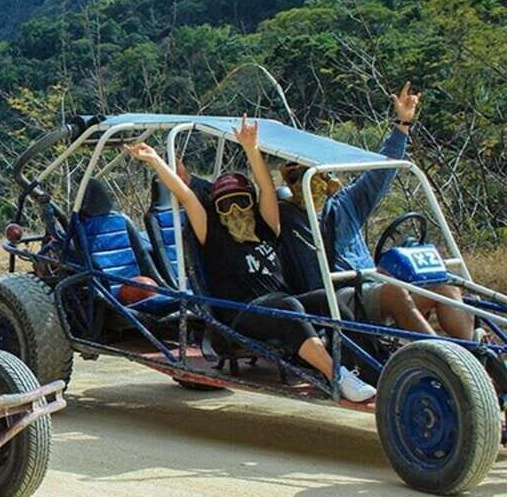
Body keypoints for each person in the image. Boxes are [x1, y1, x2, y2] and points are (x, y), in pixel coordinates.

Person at [126, 116, 377, 402]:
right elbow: (186, 197)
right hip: (238, 316)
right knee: (287, 305)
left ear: (251, 203)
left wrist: (251, 148)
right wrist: (156, 160)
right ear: (217, 209)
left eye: (241, 201)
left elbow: (266, 188)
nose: (235, 210)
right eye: (225, 204)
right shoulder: (212, 234)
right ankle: (338, 377)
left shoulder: (266, 227)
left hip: (278, 306)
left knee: (331, 301)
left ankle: (373, 372)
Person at [277, 82, 473, 340]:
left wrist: (402, 125)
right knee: (393, 292)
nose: (306, 183)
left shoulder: (346, 203)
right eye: (296, 177)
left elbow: (381, 174)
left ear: (327, 180)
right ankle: (447, 361)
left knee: (444, 285)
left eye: (312, 176)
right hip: (335, 298)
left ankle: (473, 358)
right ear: (289, 184)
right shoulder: (285, 217)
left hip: (372, 287)